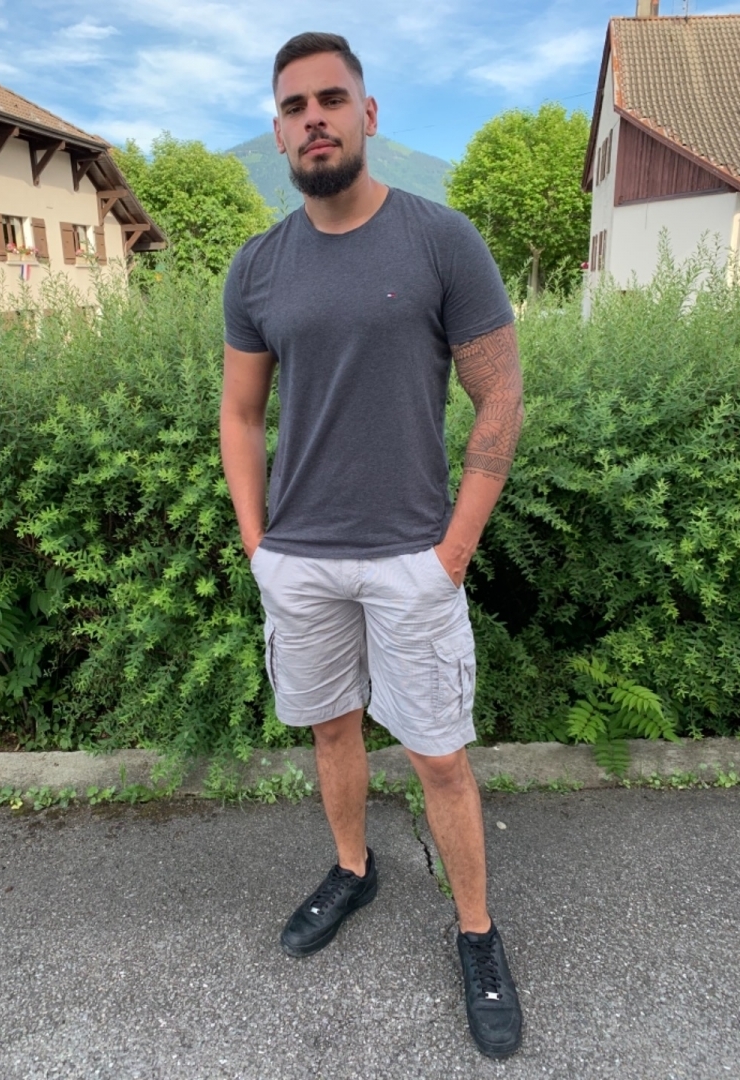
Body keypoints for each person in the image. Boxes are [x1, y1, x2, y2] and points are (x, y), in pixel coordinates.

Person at [220, 31, 525, 1060]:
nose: (314, 118)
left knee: (438, 756)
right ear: (278, 131)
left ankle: (476, 933)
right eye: (294, 106)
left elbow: (499, 397)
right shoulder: (258, 265)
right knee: (332, 732)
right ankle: (354, 870)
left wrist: (454, 550)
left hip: (412, 557)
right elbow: (239, 414)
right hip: (300, 559)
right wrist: (260, 547)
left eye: (331, 99)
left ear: (368, 114)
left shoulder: (441, 241)